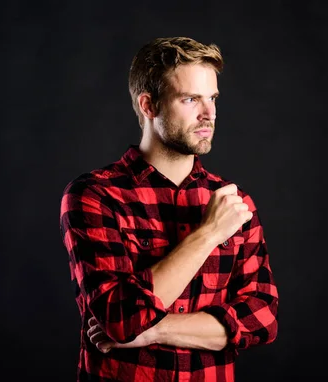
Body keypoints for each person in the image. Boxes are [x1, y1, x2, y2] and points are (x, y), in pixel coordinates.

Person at [59, 36, 278, 382]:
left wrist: (153, 331)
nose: (209, 114)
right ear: (149, 106)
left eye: (213, 98)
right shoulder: (96, 195)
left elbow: (262, 318)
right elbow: (120, 319)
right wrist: (208, 234)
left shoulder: (234, 204)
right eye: (190, 99)